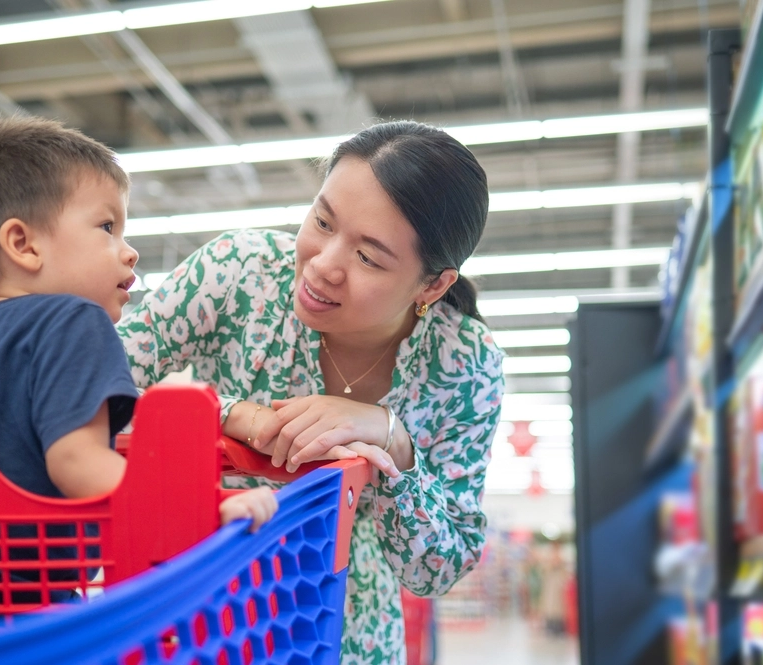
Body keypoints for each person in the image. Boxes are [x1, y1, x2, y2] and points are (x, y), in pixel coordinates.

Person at [0, 117, 276, 643]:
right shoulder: (75, 320)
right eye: (107, 227)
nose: (129, 250)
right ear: (23, 244)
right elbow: (76, 462)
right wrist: (203, 507)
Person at [117, 120, 505, 664]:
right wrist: (232, 416)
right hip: (195, 596)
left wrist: (393, 443)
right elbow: (91, 385)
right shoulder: (238, 273)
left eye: (369, 257)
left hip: (343, 621)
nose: (323, 265)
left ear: (433, 285)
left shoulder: (465, 362)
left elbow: (440, 567)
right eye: (322, 221)